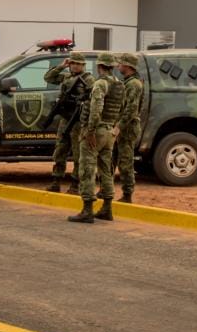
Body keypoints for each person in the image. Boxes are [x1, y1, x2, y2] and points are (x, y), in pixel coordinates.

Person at [68, 52, 124, 223]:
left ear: (100, 66)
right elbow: (123, 108)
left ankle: (87, 210)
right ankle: (107, 208)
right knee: (106, 170)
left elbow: (96, 107)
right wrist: (115, 127)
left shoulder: (100, 83)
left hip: (96, 131)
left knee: (87, 169)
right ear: (112, 66)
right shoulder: (119, 84)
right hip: (109, 132)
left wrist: (90, 131)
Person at [43, 51, 94, 193]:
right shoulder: (66, 76)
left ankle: (75, 184)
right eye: (72, 63)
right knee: (60, 149)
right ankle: (56, 180)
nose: (75, 66)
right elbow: (48, 77)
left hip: (78, 120)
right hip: (66, 119)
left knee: (78, 153)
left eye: (78, 64)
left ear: (83, 65)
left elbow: (93, 97)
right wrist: (61, 65)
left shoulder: (88, 79)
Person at [112, 52, 143, 203]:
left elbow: (131, 109)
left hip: (127, 128)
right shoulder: (127, 82)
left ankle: (127, 194)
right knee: (112, 158)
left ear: (128, 66)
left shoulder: (134, 84)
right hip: (122, 126)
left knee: (125, 161)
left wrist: (119, 126)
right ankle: (106, 190)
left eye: (120, 63)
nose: (118, 66)